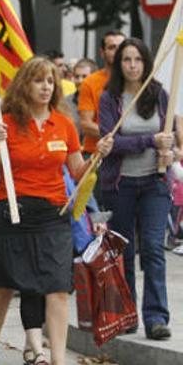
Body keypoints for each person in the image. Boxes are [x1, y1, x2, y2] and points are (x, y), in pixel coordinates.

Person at [0, 57, 112, 365]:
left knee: (58, 289)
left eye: (50, 81)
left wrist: (96, 157)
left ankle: (58, 360)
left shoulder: (63, 124)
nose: (46, 86)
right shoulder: (5, 122)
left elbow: (77, 172)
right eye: (39, 80)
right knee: (2, 289)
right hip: (12, 213)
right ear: (24, 85)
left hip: (53, 216)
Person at [99, 38, 175, 340]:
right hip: (120, 185)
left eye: (138, 60)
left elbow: (171, 138)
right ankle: (127, 315)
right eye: (127, 60)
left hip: (156, 183)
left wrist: (171, 153)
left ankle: (156, 317)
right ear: (119, 65)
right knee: (124, 251)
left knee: (154, 248)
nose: (132, 65)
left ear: (146, 63)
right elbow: (110, 143)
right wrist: (149, 141)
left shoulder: (159, 95)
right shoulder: (110, 98)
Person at [79, 31, 126, 158]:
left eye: (121, 47)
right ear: (102, 52)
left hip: (129, 154)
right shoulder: (90, 82)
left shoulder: (137, 81)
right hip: (96, 153)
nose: (117, 51)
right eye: (111, 47)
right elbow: (86, 124)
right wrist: (119, 137)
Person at [66, 58, 98, 134]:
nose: (80, 81)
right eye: (77, 77)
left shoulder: (104, 102)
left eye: (84, 77)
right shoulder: (65, 103)